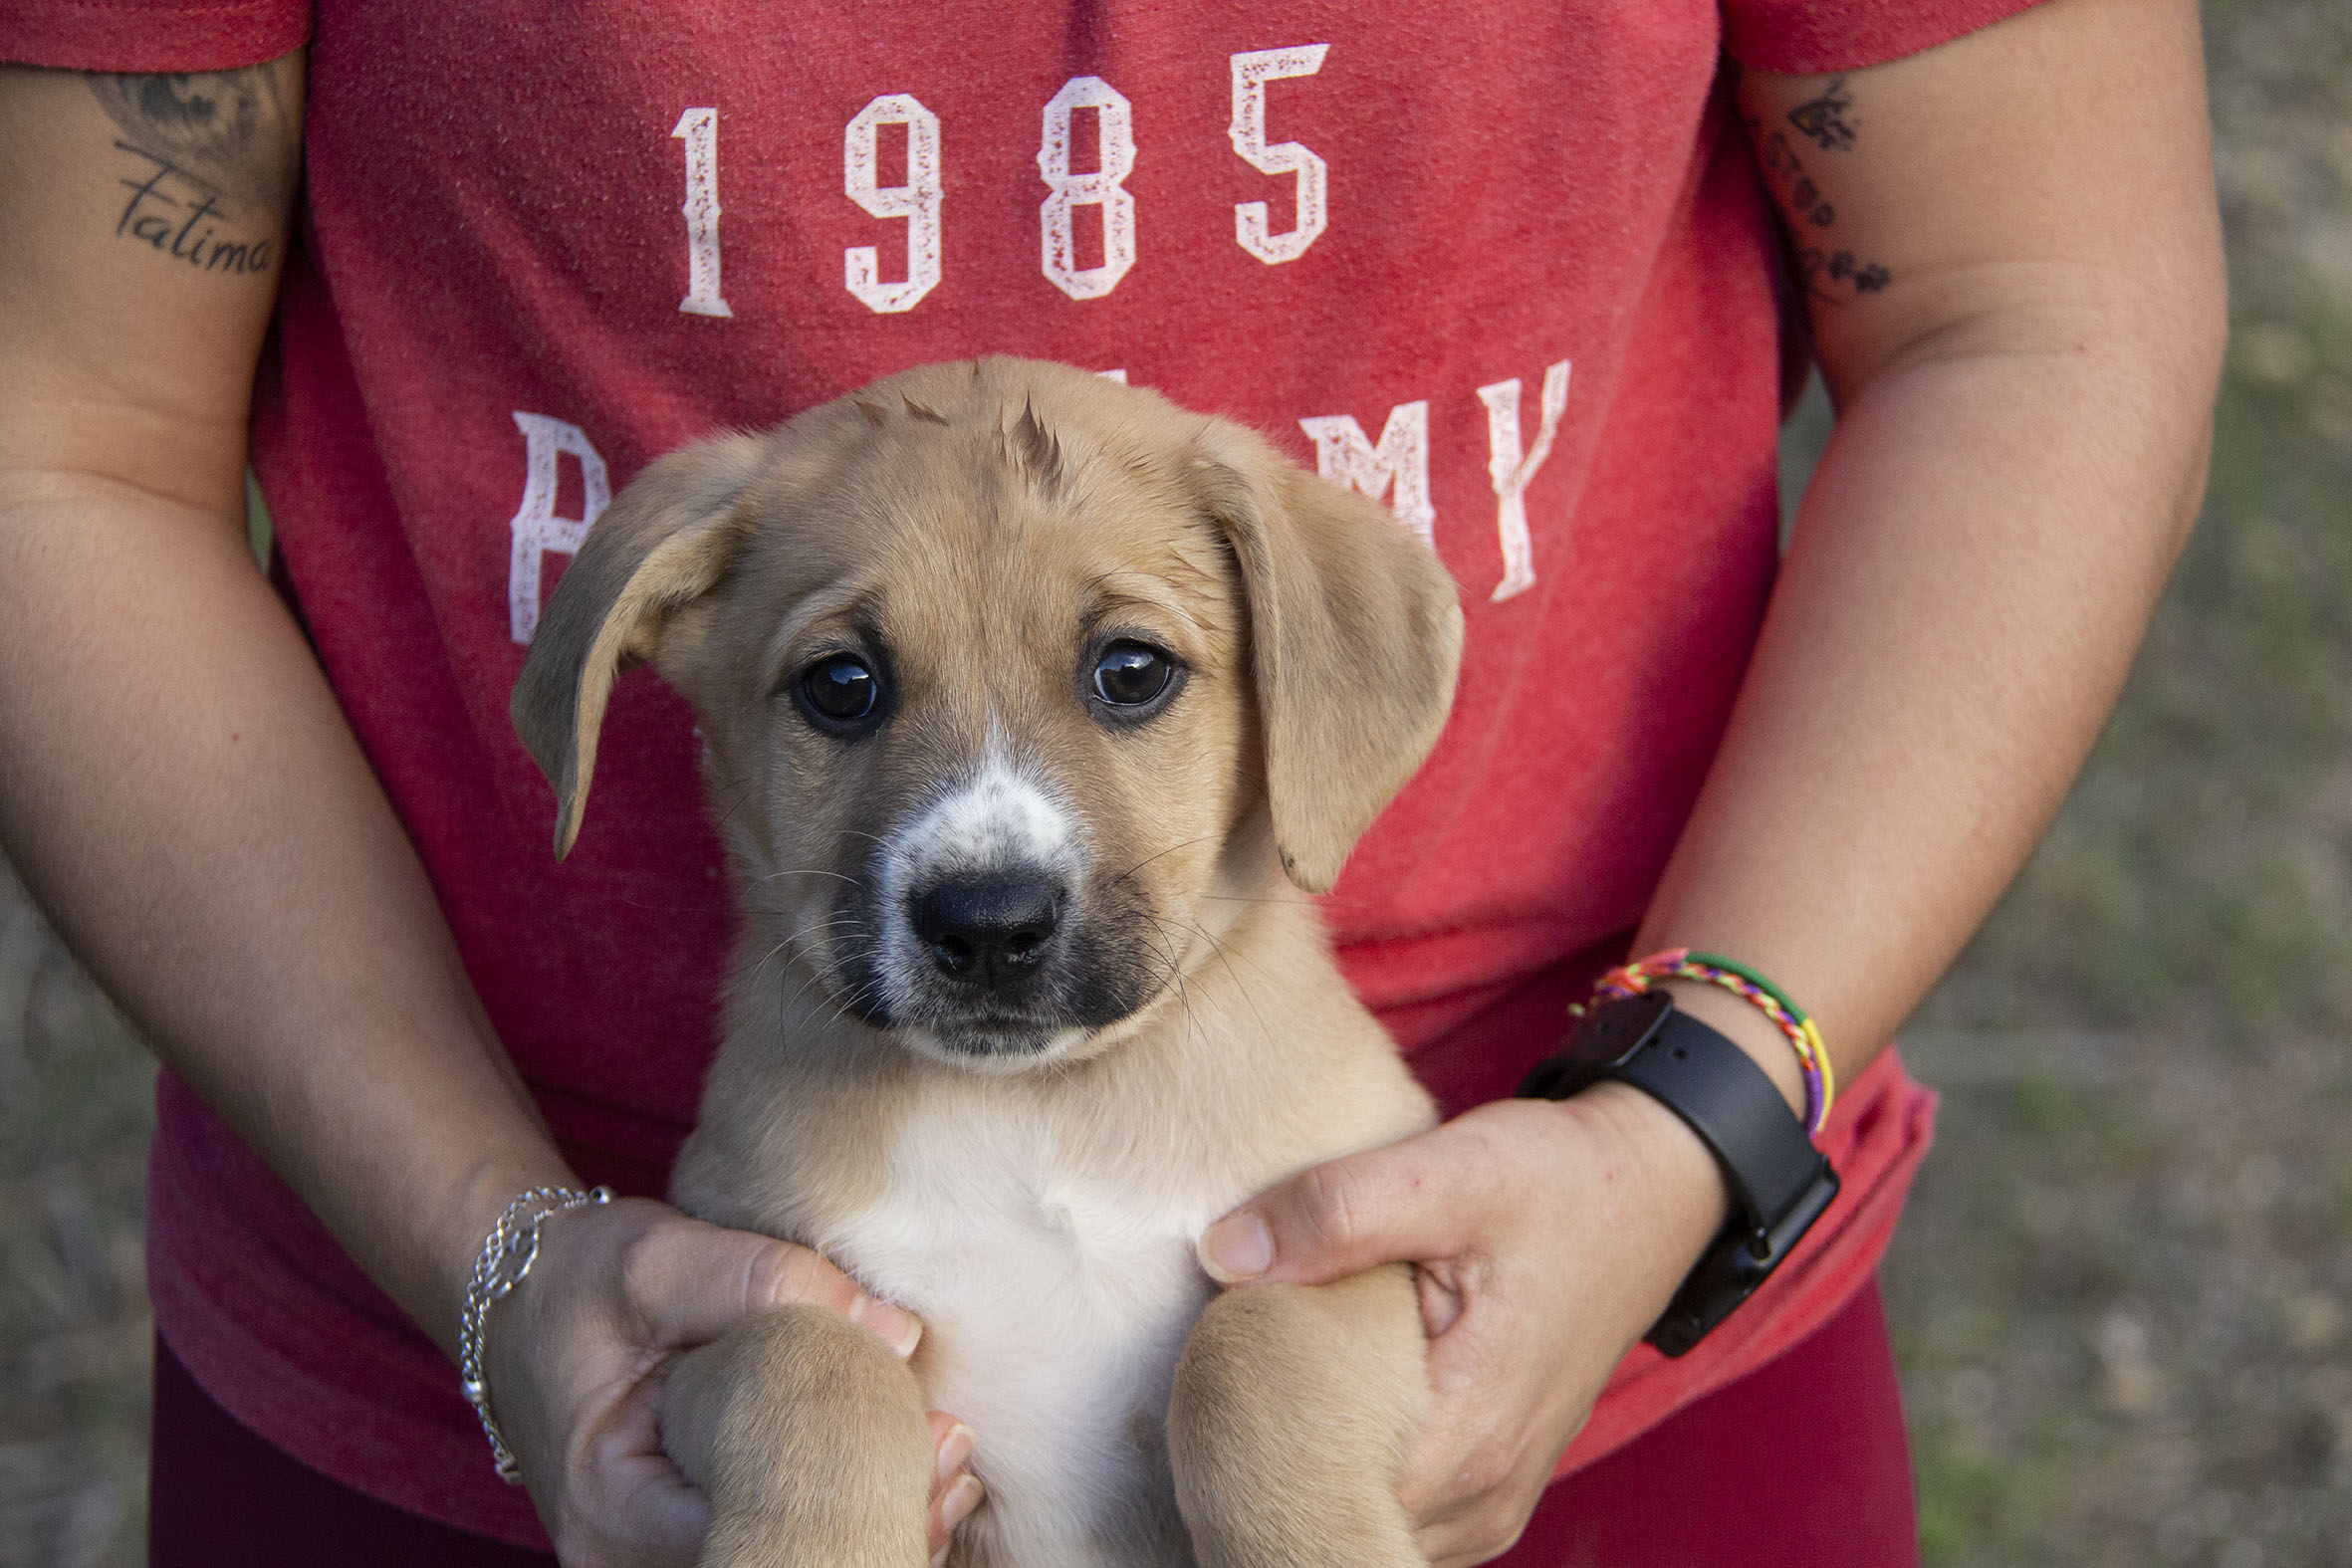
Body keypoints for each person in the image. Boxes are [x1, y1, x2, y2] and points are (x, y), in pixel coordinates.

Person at [0, 1, 2222, 1563]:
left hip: (1569, 1277)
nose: (989, 850)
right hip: (509, 1318)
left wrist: (1683, 1120)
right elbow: (59, 448)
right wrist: (494, 1263)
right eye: (842, 685)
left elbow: (2032, 302)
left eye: (1132, 672)